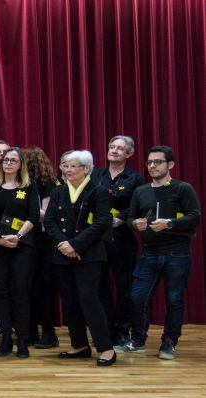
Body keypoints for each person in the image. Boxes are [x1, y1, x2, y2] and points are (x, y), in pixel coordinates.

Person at [123, 145, 201, 360]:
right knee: (137, 298)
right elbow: (130, 218)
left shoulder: (183, 188)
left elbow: (194, 217)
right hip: (149, 253)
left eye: (157, 162)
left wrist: (170, 224)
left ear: (170, 165)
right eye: (149, 162)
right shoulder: (141, 191)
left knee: (174, 300)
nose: (152, 166)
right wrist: (134, 224)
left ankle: (169, 342)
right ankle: (138, 339)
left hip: (177, 254)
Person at [44, 150, 116, 366]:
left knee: (89, 299)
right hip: (62, 254)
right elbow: (50, 222)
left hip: (89, 254)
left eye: (72, 166)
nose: (66, 170)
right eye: (64, 165)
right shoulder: (58, 191)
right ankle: (80, 344)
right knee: (70, 300)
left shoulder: (99, 191)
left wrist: (75, 244)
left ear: (87, 168)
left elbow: (101, 223)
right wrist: (64, 245)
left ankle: (105, 348)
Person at [0, 147, 39, 358]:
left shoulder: (28, 187)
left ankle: (22, 340)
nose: (8, 163)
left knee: (20, 293)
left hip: (22, 247)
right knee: (2, 292)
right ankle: (6, 338)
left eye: (13, 160)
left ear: (20, 164)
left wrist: (18, 236)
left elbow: (34, 215)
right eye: (6, 160)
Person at [91, 135, 144, 346]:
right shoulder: (96, 175)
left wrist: (121, 219)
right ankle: (105, 330)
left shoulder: (135, 178)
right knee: (100, 287)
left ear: (129, 154)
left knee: (125, 287)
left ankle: (122, 329)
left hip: (122, 239)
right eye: (111, 146)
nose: (114, 150)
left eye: (119, 148)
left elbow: (137, 204)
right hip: (97, 240)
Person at [22, 147, 61, 349]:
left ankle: (49, 332)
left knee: (42, 289)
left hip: (44, 242)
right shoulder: (25, 185)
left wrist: (25, 210)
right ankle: (29, 331)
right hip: (28, 241)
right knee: (28, 288)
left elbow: (45, 214)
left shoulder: (47, 184)